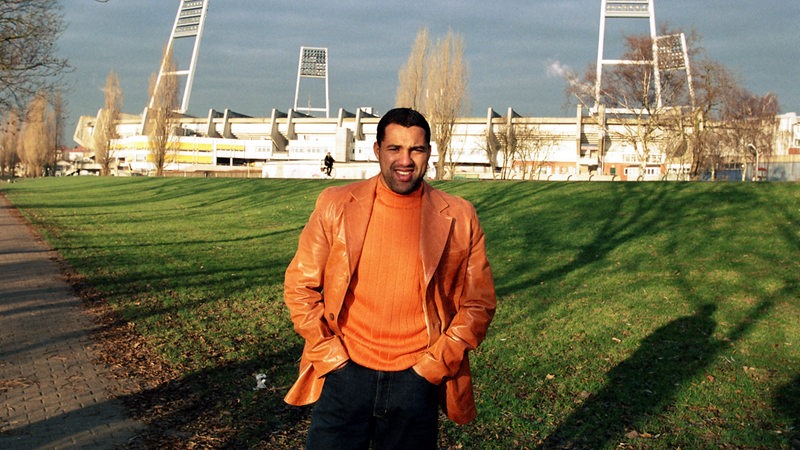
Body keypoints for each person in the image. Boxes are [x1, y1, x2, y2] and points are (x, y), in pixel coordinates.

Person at [283, 107, 496, 449]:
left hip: (416, 382)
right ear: (377, 150)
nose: (406, 160)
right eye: (395, 148)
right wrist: (330, 357)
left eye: (416, 149)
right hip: (344, 375)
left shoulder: (459, 216)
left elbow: (478, 304)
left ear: (429, 152)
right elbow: (300, 287)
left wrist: (431, 368)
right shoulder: (335, 204)